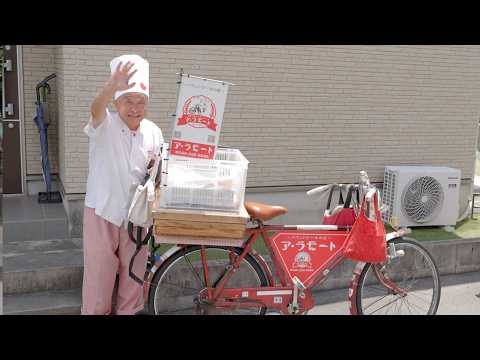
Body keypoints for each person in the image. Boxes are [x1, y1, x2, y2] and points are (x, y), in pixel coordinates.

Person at [82, 54, 164, 315]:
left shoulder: (153, 131)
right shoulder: (104, 124)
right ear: (117, 102)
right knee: (98, 277)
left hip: (137, 217)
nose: (135, 107)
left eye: (141, 101)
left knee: (134, 275)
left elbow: (158, 171)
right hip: (102, 212)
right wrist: (111, 85)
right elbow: (95, 109)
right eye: (128, 100)